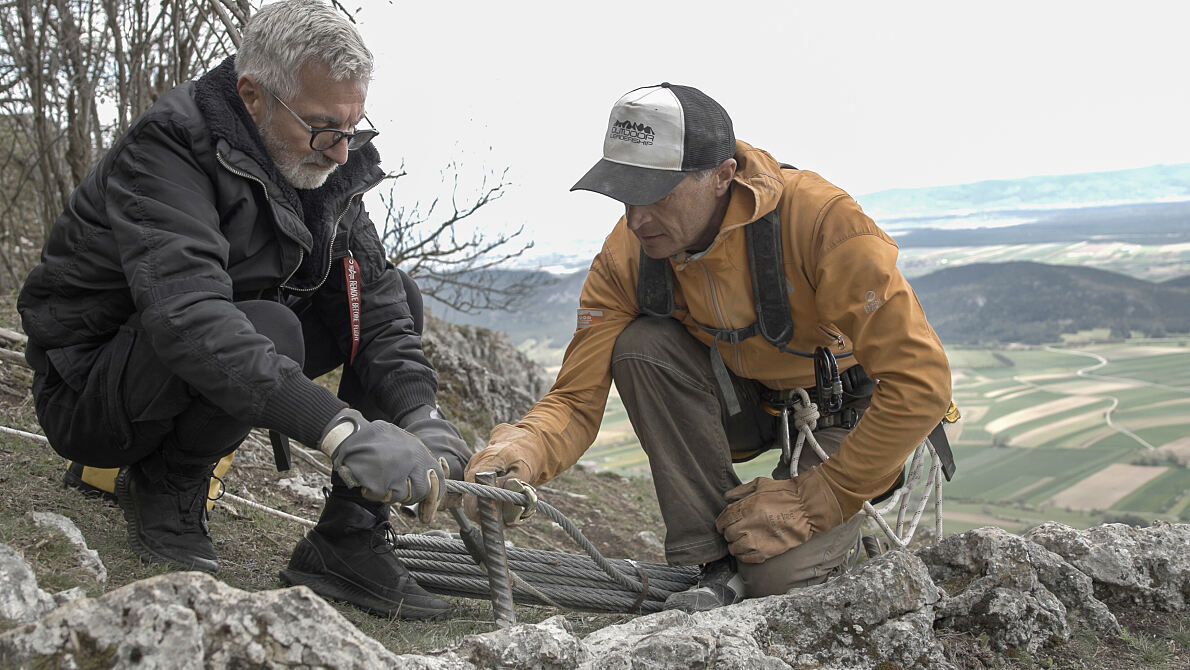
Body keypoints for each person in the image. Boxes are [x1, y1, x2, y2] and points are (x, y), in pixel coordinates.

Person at [17, 0, 468, 620]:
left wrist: (421, 413)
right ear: (253, 96)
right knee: (269, 326)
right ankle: (168, 482)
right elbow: (188, 314)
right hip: (91, 390)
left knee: (396, 295)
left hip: (185, 363)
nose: (341, 153)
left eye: (352, 129)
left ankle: (348, 539)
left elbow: (376, 301)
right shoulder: (168, 149)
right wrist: (340, 430)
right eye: (321, 128)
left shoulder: (320, 166)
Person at [465, 83, 952, 611]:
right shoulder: (628, 256)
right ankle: (716, 561)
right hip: (749, 404)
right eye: (625, 194)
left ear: (723, 176)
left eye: (656, 195)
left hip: (846, 412)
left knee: (773, 579)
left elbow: (920, 382)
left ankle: (782, 557)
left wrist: (817, 501)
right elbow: (576, 400)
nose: (636, 218)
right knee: (640, 346)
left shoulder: (821, 222)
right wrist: (520, 452)